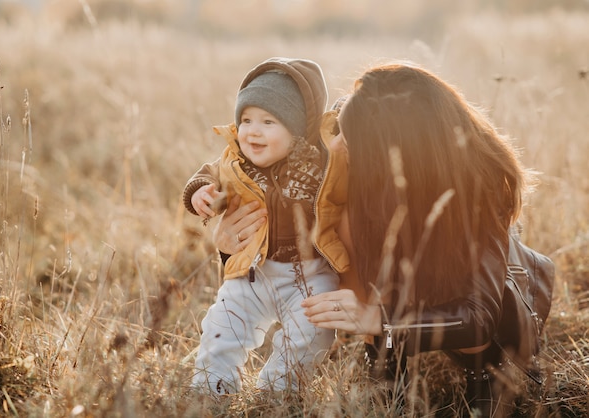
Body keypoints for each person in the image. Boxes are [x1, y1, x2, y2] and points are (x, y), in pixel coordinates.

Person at [215, 62, 537, 416]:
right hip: (402, 267)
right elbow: (287, 220)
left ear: (392, 152)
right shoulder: (360, 120)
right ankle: (386, 364)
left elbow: (480, 316)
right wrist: (233, 246)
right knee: (341, 220)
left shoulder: (473, 191)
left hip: (488, 301)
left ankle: (488, 375)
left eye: (347, 137)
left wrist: (379, 319)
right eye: (338, 131)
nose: (334, 144)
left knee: (484, 320)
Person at [183, 57, 351, 395]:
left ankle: (279, 390)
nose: (252, 131)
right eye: (245, 120)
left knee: (312, 331)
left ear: (299, 128)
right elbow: (207, 175)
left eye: (268, 121)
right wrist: (200, 193)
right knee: (221, 325)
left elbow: (344, 151)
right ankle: (212, 388)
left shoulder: (319, 161)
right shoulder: (234, 161)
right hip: (252, 272)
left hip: (310, 274)